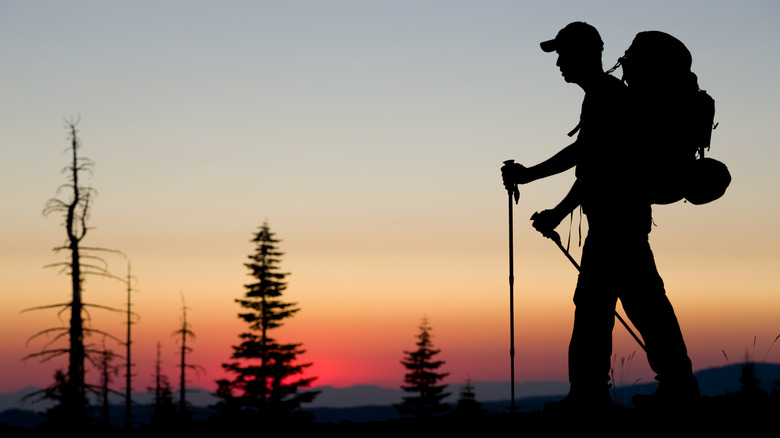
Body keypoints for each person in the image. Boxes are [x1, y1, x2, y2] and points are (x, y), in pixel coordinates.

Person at [501, 22, 700, 414]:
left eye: (563, 53)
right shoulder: (606, 96)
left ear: (585, 53)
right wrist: (555, 210)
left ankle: (592, 396)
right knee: (641, 305)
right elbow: (590, 163)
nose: (558, 62)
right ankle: (674, 386)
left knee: (601, 308)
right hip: (620, 221)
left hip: (616, 224)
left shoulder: (607, 96)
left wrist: (537, 186)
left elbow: (589, 165)